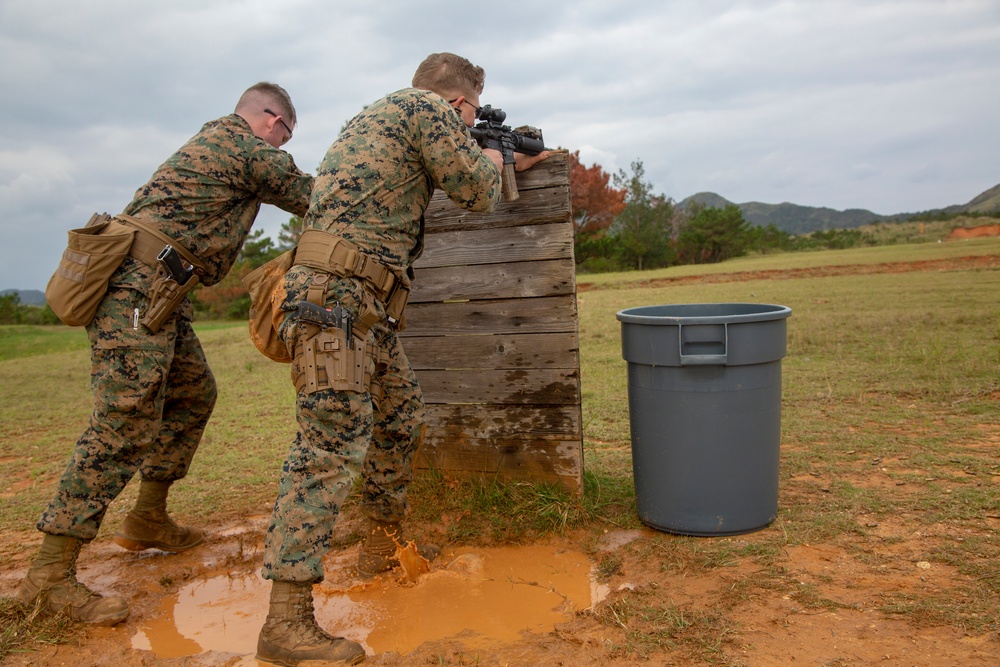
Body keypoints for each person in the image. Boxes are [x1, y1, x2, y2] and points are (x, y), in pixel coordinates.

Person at [254, 53, 549, 665]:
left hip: (361, 303)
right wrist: (494, 157)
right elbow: (474, 191)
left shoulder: (380, 116)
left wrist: (495, 155)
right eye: (467, 115)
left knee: (401, 415)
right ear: (461, 104)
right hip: (336, 297)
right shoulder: (423, 108)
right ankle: (284, 622)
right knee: (330, 443)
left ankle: (381, 545)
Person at [18, 82, 314, 626]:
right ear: (271, 121)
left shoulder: (215, 143)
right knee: (125, 417)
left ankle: (148, 517)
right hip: (137, 285)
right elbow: (314, 196)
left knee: (192, 393)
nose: (282, 147)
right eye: (285, 136)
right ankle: (50, 575)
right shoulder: (243, 148)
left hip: (159, 290)